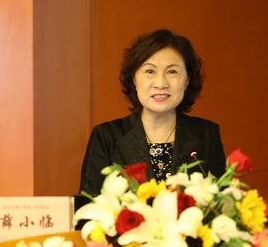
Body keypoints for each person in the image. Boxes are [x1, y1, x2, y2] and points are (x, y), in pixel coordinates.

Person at [78, 29, 226, 199]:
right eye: (150, 71)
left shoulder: (206, 135)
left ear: (187, 80)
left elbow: (220, 205)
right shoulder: (106, 137)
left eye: (172, 72)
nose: (161, 83)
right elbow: (87, 208)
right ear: (134, 79)